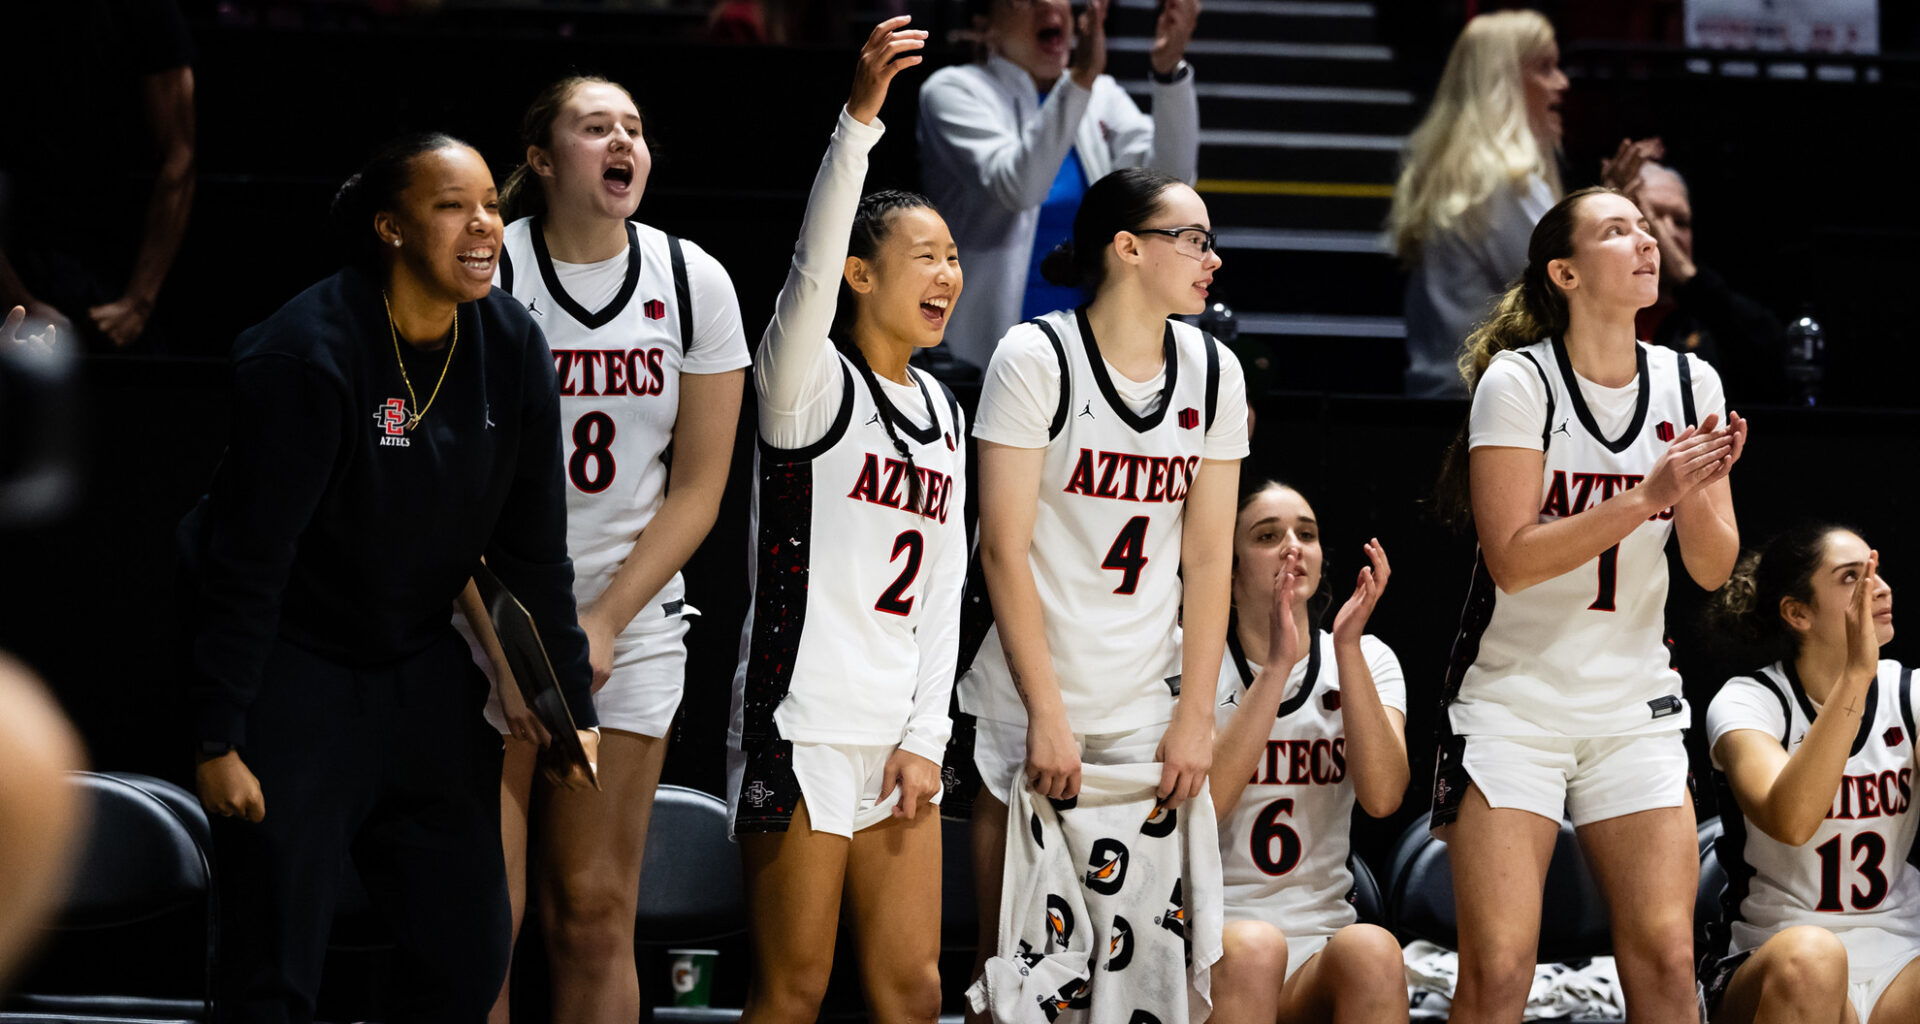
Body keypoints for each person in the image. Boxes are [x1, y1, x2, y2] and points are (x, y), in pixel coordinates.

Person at [178, 132, 599, 1023]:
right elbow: (248, 563)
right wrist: (217, 737)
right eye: (453, 206)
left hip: (415, 665)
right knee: (273, 966)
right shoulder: (305, 353)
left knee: (468, 953)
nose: (484, 224)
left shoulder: (513, 344)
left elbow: (534, 553)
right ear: (390, 228)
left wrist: (567, 711)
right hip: (296, 667)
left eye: (490, 202)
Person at [457, 76, 748, 1024]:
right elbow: (448, 482)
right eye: (595, 128)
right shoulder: (489, 271)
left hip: (629, 621)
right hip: (480, 613)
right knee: (478, 921)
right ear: (542, 161)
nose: (623, 141)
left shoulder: (691, 279)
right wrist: (507, 633)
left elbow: (702, 487)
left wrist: (601, 621)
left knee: (591, 914)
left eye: (634, 127)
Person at [1429, 186, 1746, 1024]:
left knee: (1669, 964)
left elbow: (1712, 570)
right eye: (1618, 231)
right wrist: (1647, 496)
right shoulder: (1519, 381)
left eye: (1646, 229)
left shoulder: (1692, 377)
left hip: (1630, 704)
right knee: (1498, 972)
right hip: (1512, 704)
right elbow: (1514, 560)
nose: (1644, 242)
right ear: (1565, 272)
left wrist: (1702, 488)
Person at [958, 165, 1248, 1016]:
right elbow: (1003, 551)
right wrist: (1047, 713)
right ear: (1127, 248)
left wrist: (1197, 717)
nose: (1212, 259)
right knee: (1015, 977)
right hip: (1029, 711)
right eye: (1192, 240)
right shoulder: (1035, 356)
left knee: (1146, 983)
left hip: (1147, 717)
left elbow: (1209, 557)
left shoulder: (1212, 371)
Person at [726, 18, 968, 1024]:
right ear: (862, 276)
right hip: (801, 725)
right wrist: (858, 123)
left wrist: (928, 731)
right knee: (794, 987)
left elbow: (949, 588)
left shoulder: (947, 410)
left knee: (913, 990)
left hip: (896, 733)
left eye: (954, 256)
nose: (947, 274)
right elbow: (807, 270)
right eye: (923, 255)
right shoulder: (806, 384)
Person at [1208, 481, 1408, 1024]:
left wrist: (1344, 647)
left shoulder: (1366, 655)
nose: (1293, 546)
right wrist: (1276, 666)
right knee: (1253, 949)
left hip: (1318, 943)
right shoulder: (1190, 658)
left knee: (1373, 950)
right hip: (1209, 941)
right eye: (1268, 536)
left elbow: (1384, 796)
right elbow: (1198, 812)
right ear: (1228, 571)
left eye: (1307, 534)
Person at [1703, 528, 1918, 1024]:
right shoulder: (1749, 701)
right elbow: (1792, 819)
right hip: (1775, 953)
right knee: (1814, 959)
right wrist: (1857, 675)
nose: (1879, 588)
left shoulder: (1910, 694)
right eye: (1852, 578)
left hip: (1900, 958)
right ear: (1798, 613)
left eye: (1875, 572)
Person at [917, 0, 1199, 372]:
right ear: (985, 22)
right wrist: (1079, 80)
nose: (1050, 5)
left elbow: (1168, 190)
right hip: (988, 350)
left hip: (1092, 346)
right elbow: (1019, 188)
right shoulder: (953, 90)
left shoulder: (1100, 94)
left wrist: (1167, 73)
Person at [1390, 10, 1660, 398]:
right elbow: (1563, 291)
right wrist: (1607, 214)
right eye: (1545, 68)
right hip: (1479, 408)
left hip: (1457, 400)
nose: (1562, 83)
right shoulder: (1498, 183)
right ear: (1503, 81)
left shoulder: (1469, 173)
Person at [0, 0, 195, 349]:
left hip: (118, 258)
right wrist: (17, 300)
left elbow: (179, 154)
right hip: (22, 245)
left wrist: (138, 302)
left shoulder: (146, 12)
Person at [1631, 162, 1789, 404]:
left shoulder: (1721, 317)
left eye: (1681, 222)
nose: (1668, 234)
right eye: (1649, 218)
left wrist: (1686, 274)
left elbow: (1773, 365)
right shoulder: (1589, 313)